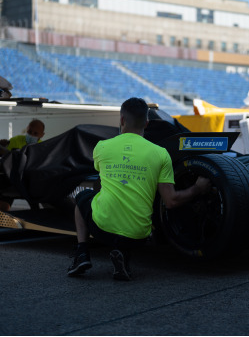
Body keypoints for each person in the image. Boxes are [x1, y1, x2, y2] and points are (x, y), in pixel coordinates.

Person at [68, 97, 211, 280]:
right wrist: (198, 188)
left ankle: (82, 253)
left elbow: (100, 177)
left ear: (121, 120)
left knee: (84, 197)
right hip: (139, 236)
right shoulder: (161, 154)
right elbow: (171, 201)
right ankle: (123, 255)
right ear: (146, 122)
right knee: (131, 216)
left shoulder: (102, 147)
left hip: (102, 229)